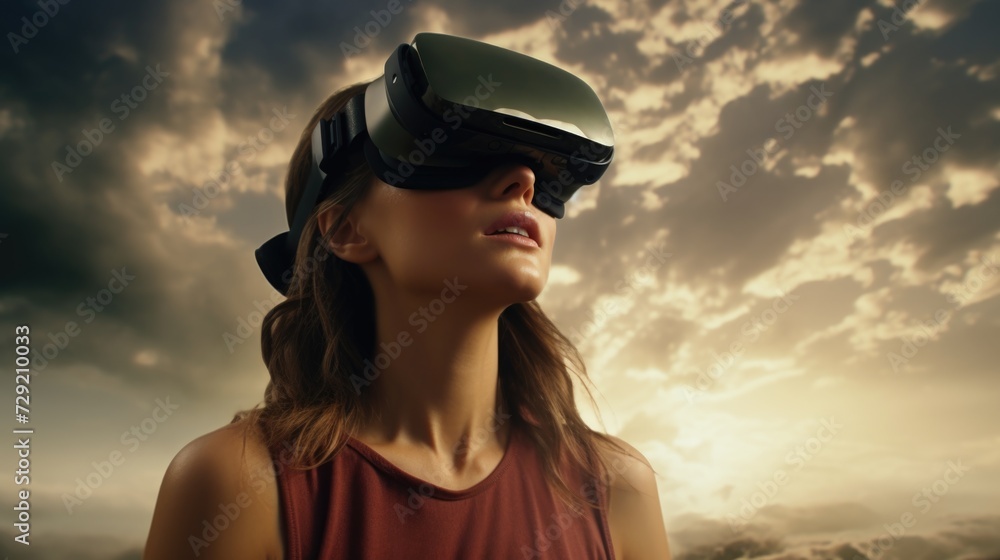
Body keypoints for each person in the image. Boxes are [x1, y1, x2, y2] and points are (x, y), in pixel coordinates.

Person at [143, 62, 672, 560]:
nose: (523, 182)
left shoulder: (617, 486)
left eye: (542, 172)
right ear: (347, 230)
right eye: (456, 150)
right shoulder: (237, 485)